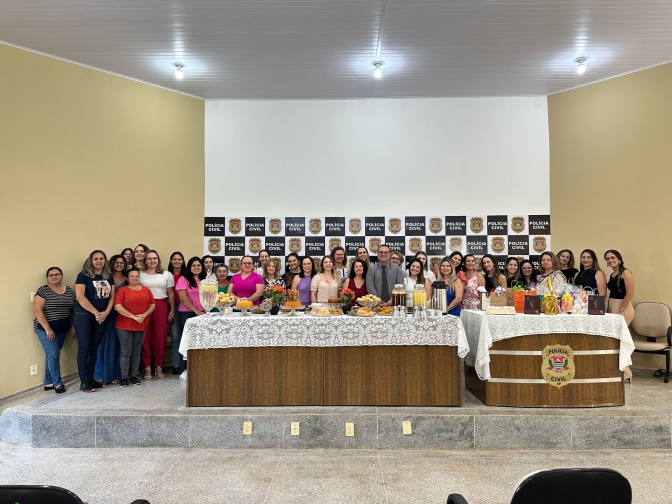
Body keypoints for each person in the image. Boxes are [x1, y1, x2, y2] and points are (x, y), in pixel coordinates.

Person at [74, 250, 115, 392]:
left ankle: (91, 378)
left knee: (94, 348)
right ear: (90, 260)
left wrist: (106, 312)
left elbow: (112, 297)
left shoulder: (108, 276)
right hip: (84, 316)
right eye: (95, 259)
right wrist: (96, 313)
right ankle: (84, 381)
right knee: (84, 348)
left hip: (102, 317)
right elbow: (80, 296)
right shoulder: (83, 276)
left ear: (105, 260)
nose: (99, 261)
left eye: (101, 258)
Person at [33, 267, 76, 394]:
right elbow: (37, 310)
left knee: (52, 355)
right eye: (51, 275)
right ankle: (57, 383)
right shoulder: (43, 290)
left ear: (62, 276)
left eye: (57, 274)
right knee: (53, 354)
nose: (54, 277)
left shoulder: (68, 290)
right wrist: (48, 328)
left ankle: (48, 382)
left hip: (63, 328)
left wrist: (72, 325)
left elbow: (72, 309)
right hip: (45, 329)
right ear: (47, 278)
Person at [114, 267, 155, 387]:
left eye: (136, 276)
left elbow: (152, 305)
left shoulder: (146, 290)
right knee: (126, 352)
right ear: (127, 278)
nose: (134, 278)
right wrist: (133, 317)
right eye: (131, 276)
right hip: (124, 326)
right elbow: (117, 307)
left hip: (141, 324)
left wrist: (143, 315)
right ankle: (124, 377)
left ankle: (133, 376)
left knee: (136, 352)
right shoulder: (122, 290)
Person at [139, 250, 175, 380]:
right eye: (149, 258)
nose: (152, 261)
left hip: (161, 306)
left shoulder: (166, 274)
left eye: (154, 258)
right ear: (145, 261)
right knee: (145, 338)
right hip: (144, 307)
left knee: (160, 337)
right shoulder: (140, 274)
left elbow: (170, 293)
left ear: (158, 260)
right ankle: (147, 366)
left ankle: (158, 365)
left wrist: (172, 310)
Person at [93, 255, 126, 385]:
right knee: (100, 344)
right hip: (104, 313)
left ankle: (114, 374)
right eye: (116, 262)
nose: (119, 264)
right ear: (111, 264)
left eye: (121, 262)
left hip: (119, 314)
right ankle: (100, 375)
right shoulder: (105, 277)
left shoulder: (127, 279)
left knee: (115, 345)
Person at [605, 249, 634, 383]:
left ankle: (627, 371)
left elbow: (629, 293)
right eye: (608, 258)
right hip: (613, 307)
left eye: (613, 257)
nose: (610, 260)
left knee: (621, 339)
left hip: (623, 308)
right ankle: (620, 369)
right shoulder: (612, 274)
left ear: (619, 259)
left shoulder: (626, 272)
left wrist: (621, 308)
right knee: (614, 340)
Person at [175, 257, 206, 381]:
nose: (197, 267)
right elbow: (183, 298)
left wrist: (203, 311)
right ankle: (183, 370)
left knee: (200, 341)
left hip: (202, 314)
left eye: (199, 265)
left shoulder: (204, 280)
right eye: (194, 265)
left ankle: (198, 368)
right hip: (187, 313)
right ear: (189, 267)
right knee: (186, 341)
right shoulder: (183, 279)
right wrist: (196, 310)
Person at [168, 251, 187, 375]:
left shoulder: (187, 275)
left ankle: (185, 364)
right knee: (175, 337)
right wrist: (172, 309)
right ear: (170, 261)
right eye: (174, 259)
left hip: (186, 307)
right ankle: (176, 364)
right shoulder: (167, 275)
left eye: (179, 259)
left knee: (186, 336)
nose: (177, 261)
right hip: (172, 306)